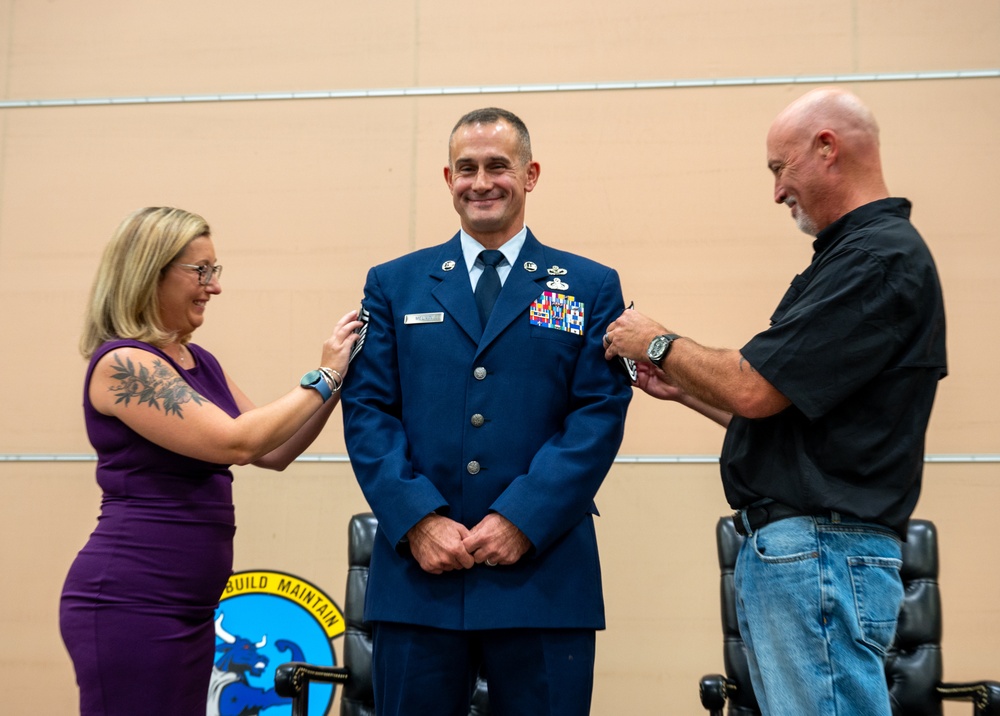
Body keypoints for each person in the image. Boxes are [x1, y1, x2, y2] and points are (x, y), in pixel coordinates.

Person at [603, 87, 947, 715]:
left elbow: (752, 386)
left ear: (827, 148)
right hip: (811, 557)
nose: (776, 192)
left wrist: (653, 340)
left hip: (821, 557)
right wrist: (683, 389)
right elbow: (780, 407)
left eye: (778, 169)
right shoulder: (858, 258)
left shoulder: (876, 260)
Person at [341, 107, 632, 716]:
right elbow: (369, 410)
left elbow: (597, 415)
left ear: (530, 174)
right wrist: (418, 520)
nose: (482, 182)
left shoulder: (588, 286)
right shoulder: (395, 284)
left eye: (498, 166)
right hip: (422, 574)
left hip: (544, 574)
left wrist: (523, 518)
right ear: (448, 178)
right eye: (466, 168)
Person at [59, 207, 362, 716]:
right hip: (132, 605)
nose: (212, 287)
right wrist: (324, 374)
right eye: (200, 271)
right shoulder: (123, 364)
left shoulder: (198, 362)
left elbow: (274, 450)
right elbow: (236, 443)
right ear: (149, 272)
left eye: (213, 271)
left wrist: (343, 374)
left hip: (190, 609)